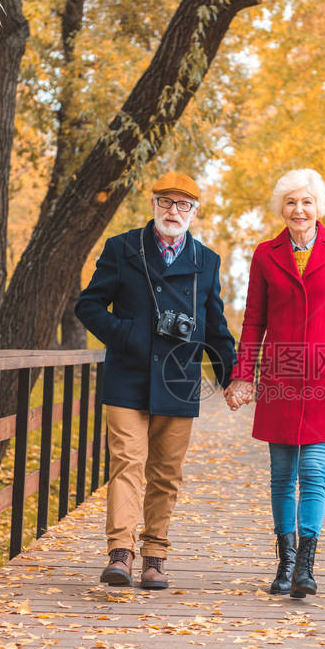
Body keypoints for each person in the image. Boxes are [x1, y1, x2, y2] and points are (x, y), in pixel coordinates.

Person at [76, 172, 236, 589]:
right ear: (154, 205)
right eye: (166, 202)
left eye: (183, 205)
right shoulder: (123, 248)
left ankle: (155, 558)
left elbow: (216, 328)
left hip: (179, 381)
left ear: (194, 213)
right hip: (127, 376)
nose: (174, 211)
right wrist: (128, 334)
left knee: (166, 473)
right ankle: (121, 554)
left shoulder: (207, 261)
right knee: (128, 463)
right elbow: (88, 305)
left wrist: (233, 378)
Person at [225, 169, 325, 598]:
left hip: (324, 377)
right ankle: (284, 564)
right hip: (281, 376)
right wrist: (242, 375)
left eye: (306, 202)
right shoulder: (265, 254)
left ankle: (306, 565)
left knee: (314, 471)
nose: (299, 210)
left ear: (318, 207)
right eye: (290, 202)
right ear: (281, 209)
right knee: (282, 474)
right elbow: (254, 320)